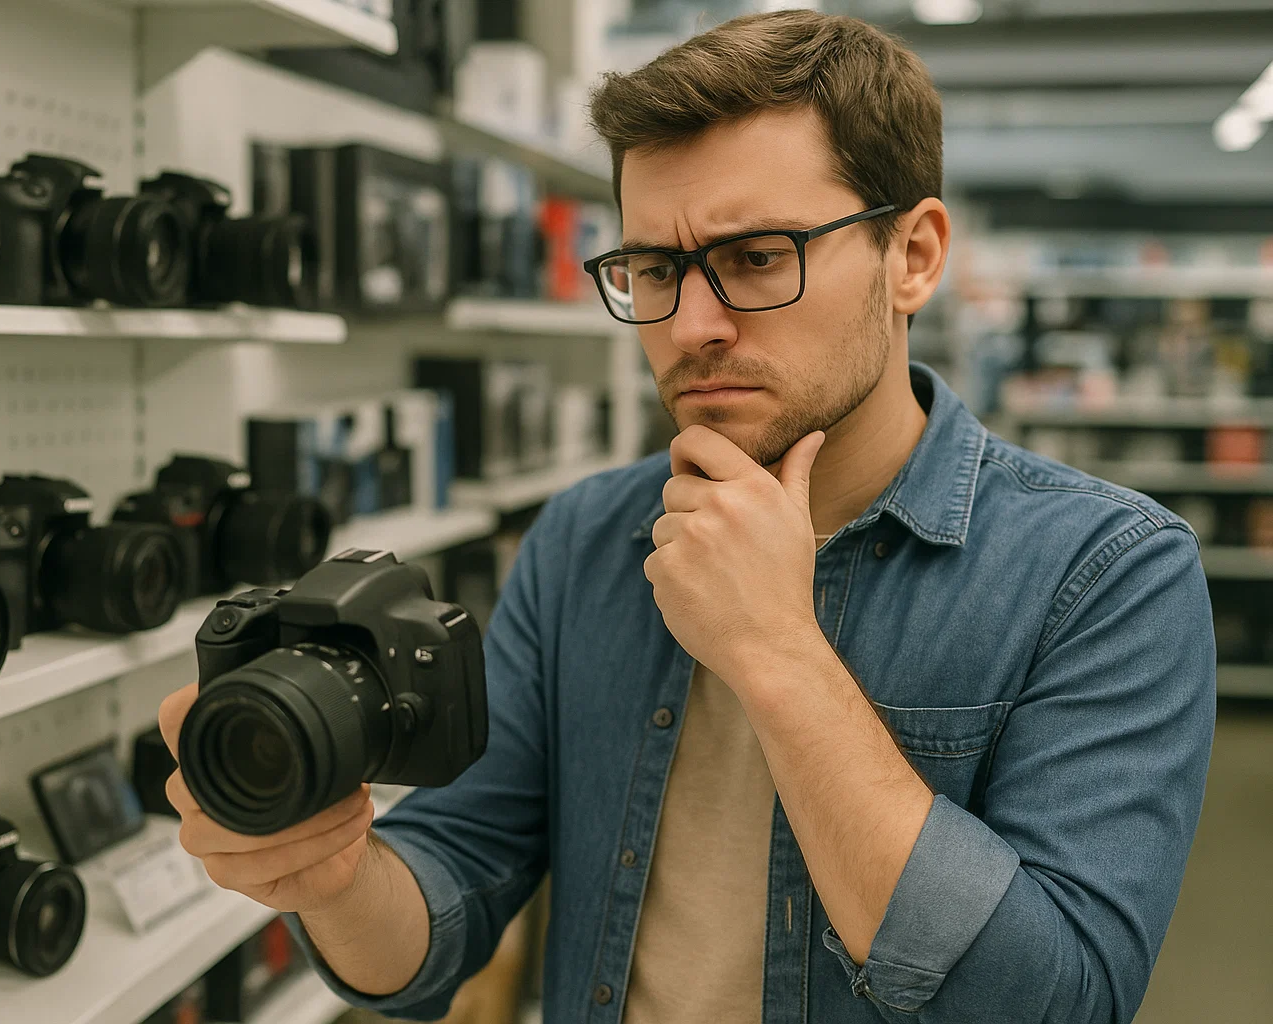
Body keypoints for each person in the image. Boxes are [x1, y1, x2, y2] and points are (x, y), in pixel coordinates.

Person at [156, 10, 1217, 1023]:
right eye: (655, 269)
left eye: (757, 259)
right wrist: (336, 877)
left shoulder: (1108, 571)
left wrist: (775, 648)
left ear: (915, 256)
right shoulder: (583, 540)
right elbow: (445, 907)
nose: (691, 325)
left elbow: (1056, 999)